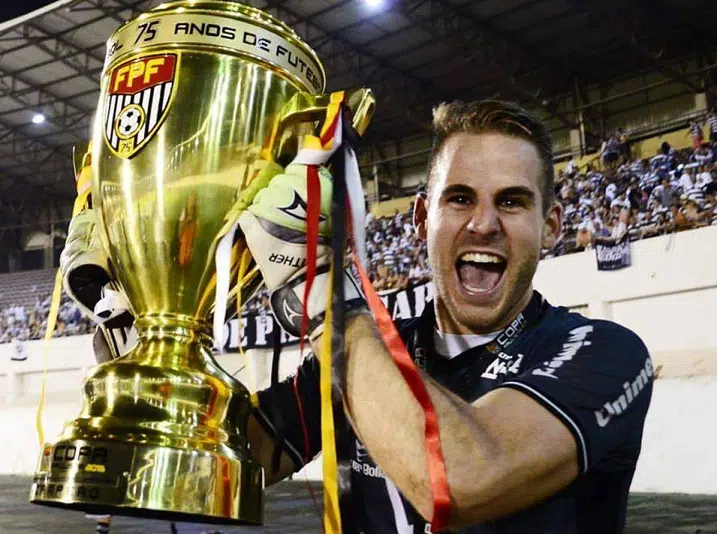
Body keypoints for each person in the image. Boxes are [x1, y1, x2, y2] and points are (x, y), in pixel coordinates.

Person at [65, 100, 653, 534]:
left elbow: (460, 480)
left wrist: (329, 302)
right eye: (459, 198)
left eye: (512, 201)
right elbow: (238, 461)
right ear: (421, 220)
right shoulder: (364, 355)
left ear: (550, 227)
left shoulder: (606, 352)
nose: (483, 224)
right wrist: (147, 353)